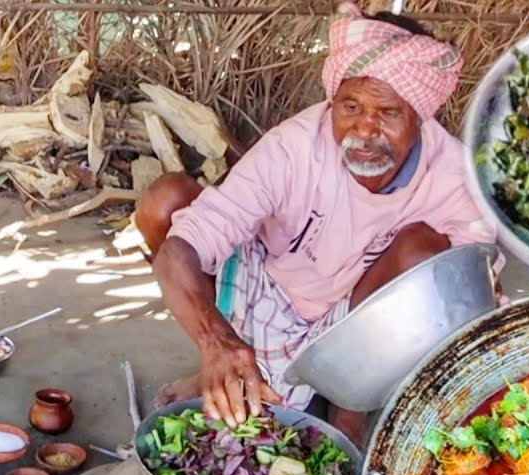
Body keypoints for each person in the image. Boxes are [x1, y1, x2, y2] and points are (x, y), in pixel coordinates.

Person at [139, 3, 500, 447]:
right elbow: (185, 247)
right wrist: (217, 342)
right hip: (266, 285)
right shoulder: (294, 147)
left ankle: (348, 411)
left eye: (387, 112)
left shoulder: (452, 176)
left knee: (427, 252)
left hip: (356, 316)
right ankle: (218, 368)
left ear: (419, 115)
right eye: (350, 106)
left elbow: (474, 289)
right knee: (166, 204)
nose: (364, 131)